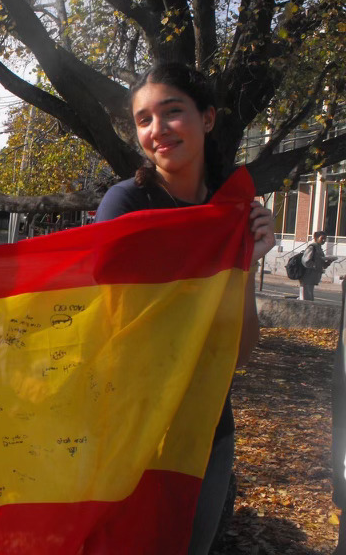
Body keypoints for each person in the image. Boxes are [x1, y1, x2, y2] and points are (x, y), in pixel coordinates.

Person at [95, 62, 275, 555]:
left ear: (208, 118)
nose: (157, 130)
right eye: (144, 119)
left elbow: (237, 354)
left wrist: (244, 266)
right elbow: (115, 331)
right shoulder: (126, 204)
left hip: (207, 430)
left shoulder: (229, 212)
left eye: (172, 113)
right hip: (132, 431)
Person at [299, 231, 336, 301]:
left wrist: (328, 262)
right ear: (316, 238)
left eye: (325, 239)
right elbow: (306, 261)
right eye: (322, 238)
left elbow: (322, 265)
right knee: (305, 298)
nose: (324, 240)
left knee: (310, 297)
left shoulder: (319, 249)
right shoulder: (312, 247)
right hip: (307, 276)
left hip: (314, 277)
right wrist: (315, 266)